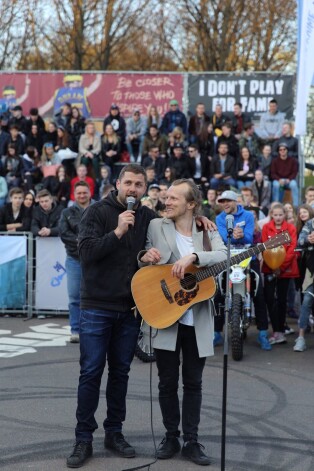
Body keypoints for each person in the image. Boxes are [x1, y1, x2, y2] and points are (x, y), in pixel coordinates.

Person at [66, 164, 215, 468]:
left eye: (139, 184)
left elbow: (174, 222)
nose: (133, 189)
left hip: (130, 308)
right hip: (96, 305)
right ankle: (83, 438)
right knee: (91, 371)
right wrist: (118, 231)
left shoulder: (148, 217)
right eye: (128, 183)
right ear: (117, 183)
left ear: (145, 189)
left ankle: (114, 432)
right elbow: (86, 252)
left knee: (121, 373)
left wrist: (198, 218)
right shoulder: (97, 212)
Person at [138, 179, 227, 465]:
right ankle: (171, 436)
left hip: (196, 319)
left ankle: (191, 440)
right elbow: (144, 259)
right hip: (165, 316)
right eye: (166, 197)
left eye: (174, 198)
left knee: (193, 382)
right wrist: (145, 256)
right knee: (166, 382)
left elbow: (224, 256)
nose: (167, 201)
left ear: (191, 204)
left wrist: (194, 256)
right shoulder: (156, 225)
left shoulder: (206, 229)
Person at [216, 190, 271, 350]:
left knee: (259, 295)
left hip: (249, 257)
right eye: (222, 201)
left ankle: (262, 334)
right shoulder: (220, 218)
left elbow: (249, 237)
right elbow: (221, 238)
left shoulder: (247, 215)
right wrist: (235, 236)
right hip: (227, 258)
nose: (224, 204)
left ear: (235, 202)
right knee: (219, 294)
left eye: (227, 201)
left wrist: (239, 236)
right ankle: (216, 333)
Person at [59, 181, 92, 343]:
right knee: (74, 297)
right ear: (74, 194)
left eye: (84, 192)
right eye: (79, 193)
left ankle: (92, 329)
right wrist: (82, 241)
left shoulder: (98, 209)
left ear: (90, 192)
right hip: (74, 260)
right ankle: (75, 330)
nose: (82, 195)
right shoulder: (67, 212)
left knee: (95, 295)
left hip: (96, 260)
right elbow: (64, 234)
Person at [261, 203, 298, 344]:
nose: (278, 217)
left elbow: (291, 250)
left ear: (285, 215)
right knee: (269, 299)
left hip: (285, 270)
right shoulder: (266, 227)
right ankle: (276, 330)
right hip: (269, 268)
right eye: (275, 215)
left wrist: (280, 267)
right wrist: (272, 265)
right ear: (271, 214)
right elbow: (265, 247)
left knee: (282, 300)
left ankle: (280, 331)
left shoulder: (291, 228)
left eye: (280, 215)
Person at [294, 217, 314, 351]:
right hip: (312, 269)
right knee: (307, 300)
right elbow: (299, 241)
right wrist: (308, 239)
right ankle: (301, 338)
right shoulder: (311, 223)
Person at [270, 142, 299, 207]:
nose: (282, 151)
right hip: (278, 180)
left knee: (294, 184)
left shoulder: (293, 160)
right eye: (280, 150)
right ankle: (276, 205)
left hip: (289, 180)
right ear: (279, 151)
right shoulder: (275, 161)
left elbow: (295, 172)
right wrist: (279, 180)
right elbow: (273, 173)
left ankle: (296, 206)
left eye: (284, 149)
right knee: (276, 185)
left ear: (287, 150)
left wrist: (289, 179)